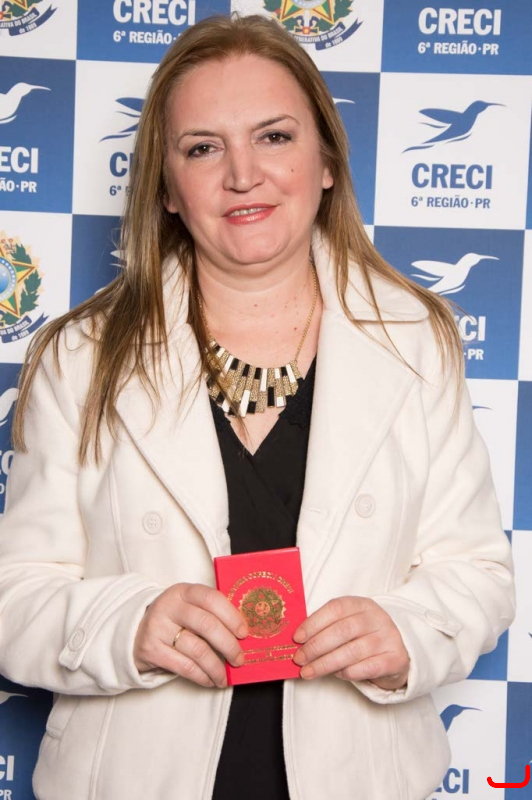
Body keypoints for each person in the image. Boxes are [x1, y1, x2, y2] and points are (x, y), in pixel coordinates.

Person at [0, 13, 514, 800]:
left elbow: (477, 573)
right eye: (203, 148)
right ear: (166, 188)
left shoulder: (417, 339)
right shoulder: (80, 356)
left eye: (274, 137)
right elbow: (13, 599)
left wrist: (408, 633)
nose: (243, 174)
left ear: (327, 161)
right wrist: (127, 625)